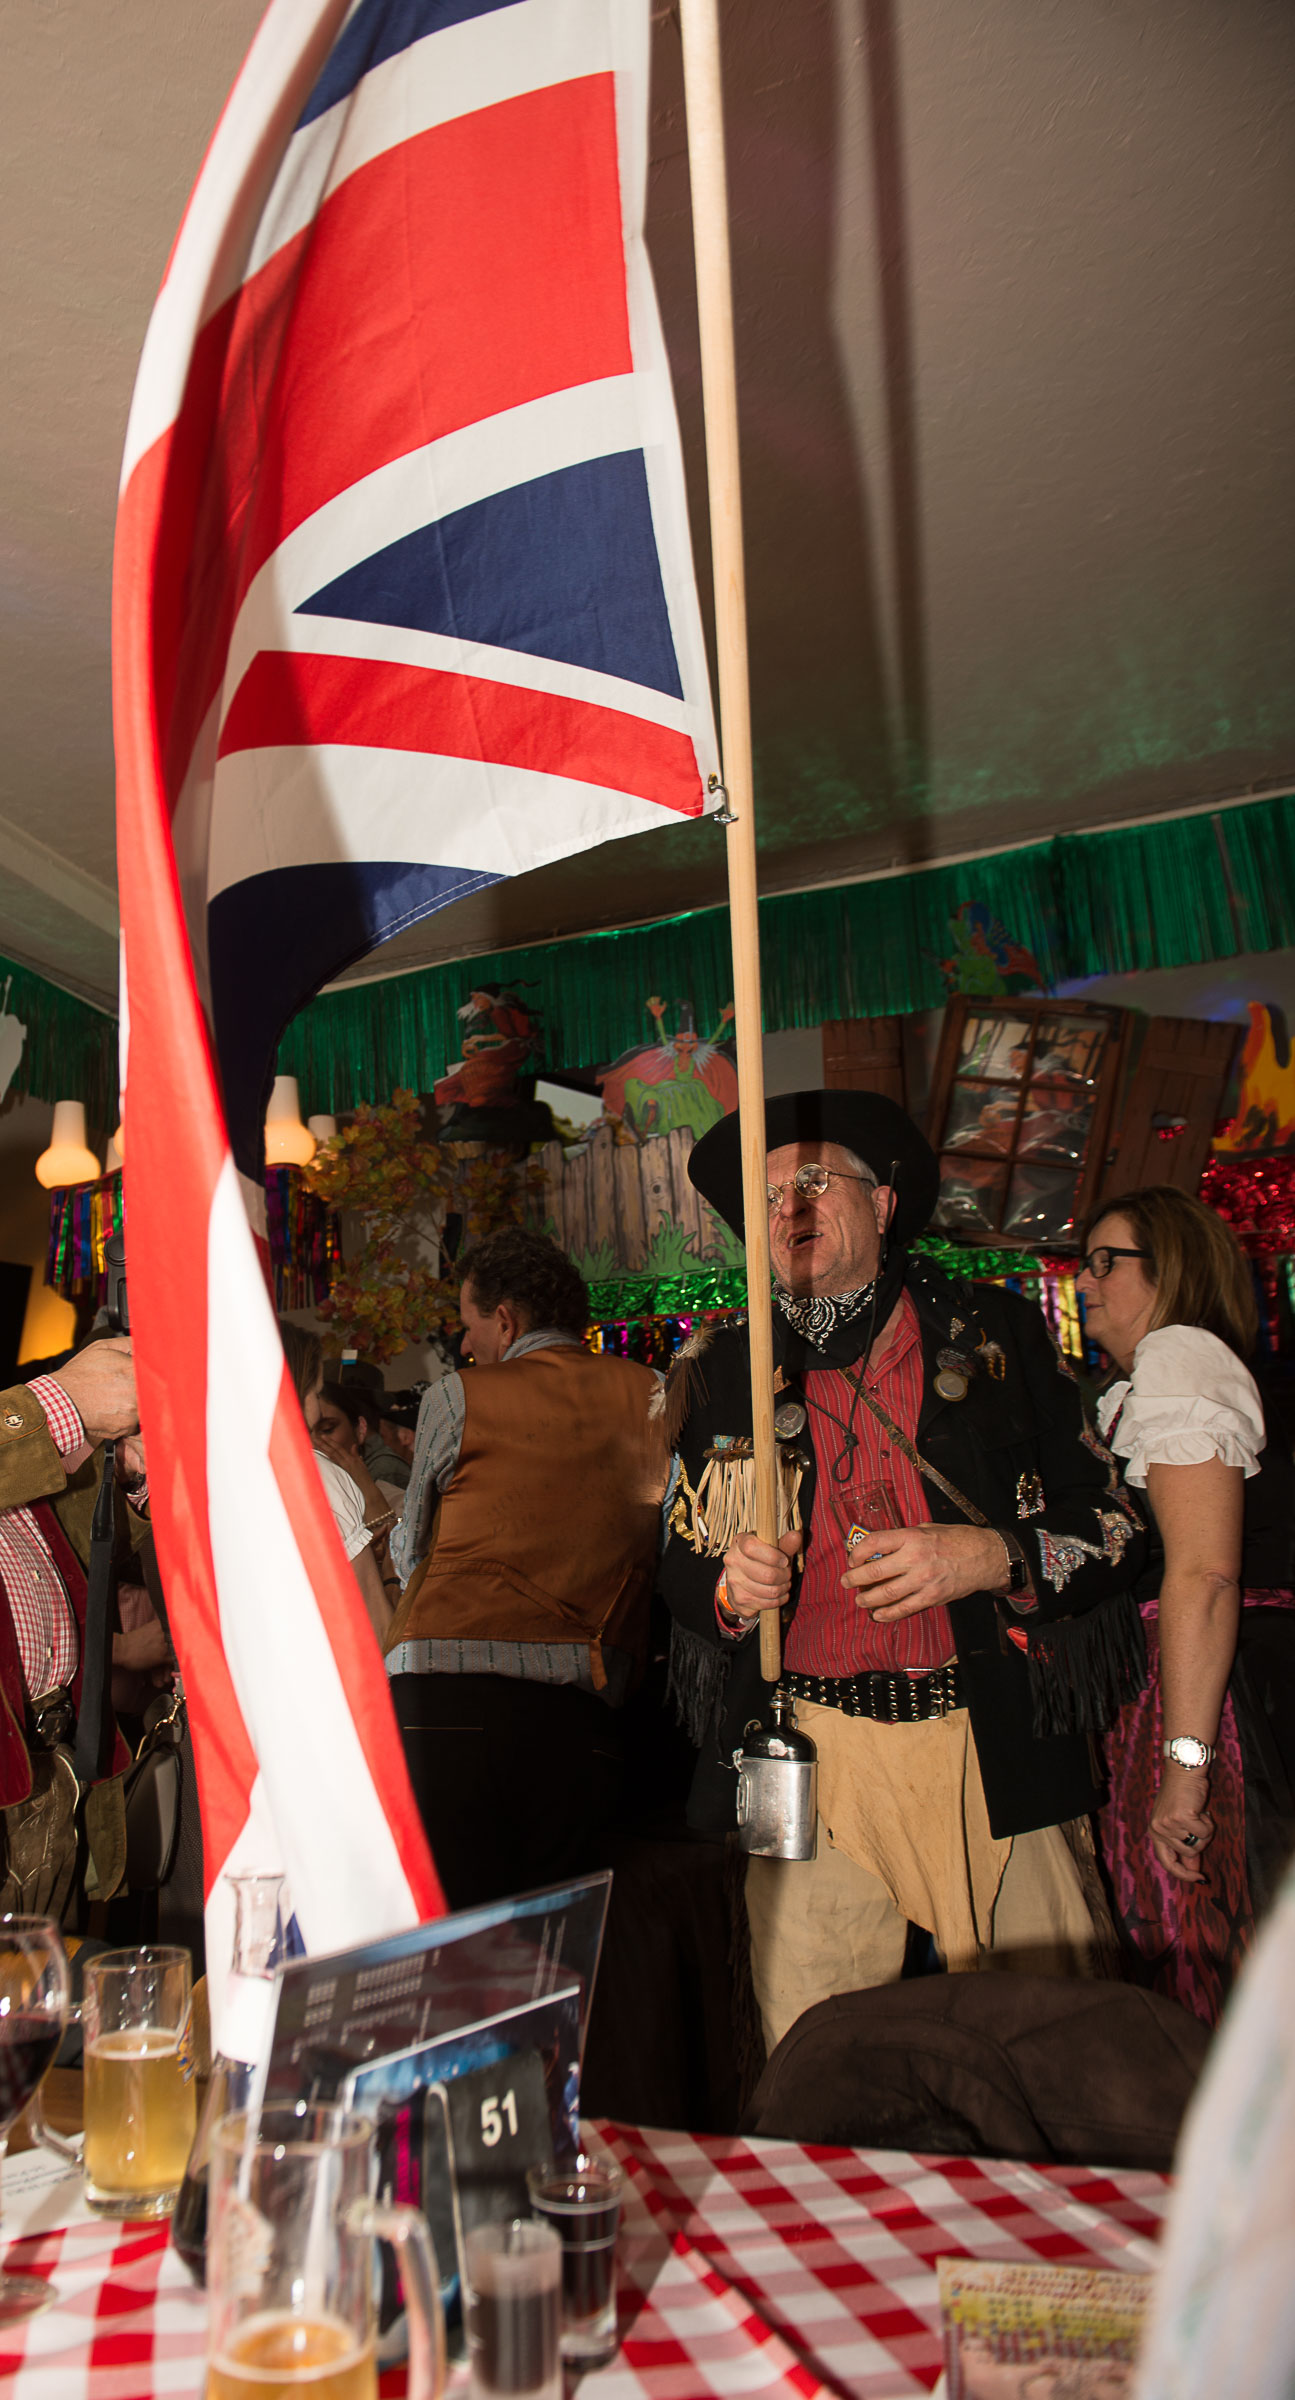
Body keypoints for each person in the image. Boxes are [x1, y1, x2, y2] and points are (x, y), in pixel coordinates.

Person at [661, 1090, 1147, 2055]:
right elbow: (676, 1562)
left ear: (882, 1204)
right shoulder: (723, 1369)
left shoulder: (996, 1336)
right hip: (807, 1758)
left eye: (810, 1180)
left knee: (1050, 2050)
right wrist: (729, 1591)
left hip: (987, 1735)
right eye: (763, 1199)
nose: (787, 1209)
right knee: (816, 2057)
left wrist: (989, 1556)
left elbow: (1119, 1525)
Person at [387, 1227, 668, 1907]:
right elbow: (664, 1540)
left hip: (445, 1706)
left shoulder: (458, 1396)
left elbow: (412, 1551)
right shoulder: (654, 1392)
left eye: (469, 1324)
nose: (465, 1344)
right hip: (586, 1707)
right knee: (555, 1937)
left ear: (505, 1320)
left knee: (445, 1931)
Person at [1074, 1187, 1295, 2026]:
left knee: (1199, 1950)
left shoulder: (1179, 1359)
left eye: (1107, 1261)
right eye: (1082, 1262)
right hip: (1175, 1687)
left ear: (1171, 1269)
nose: (1084, 1281)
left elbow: (1202, 1576)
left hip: (1208, 1696)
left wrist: (1184, 1772)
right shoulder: (1134, 1385)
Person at [0, 1336, 146, 1915]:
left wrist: (132, 1470)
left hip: (53, 1766)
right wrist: (63, 1403)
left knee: (46, 1988)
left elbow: (76, 1543)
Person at [279, 1322, 392, 1643]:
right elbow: (376, 1629)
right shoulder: (313, 1476)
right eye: (314, 1393)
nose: (314, 1413)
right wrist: (391, 1577)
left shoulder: (213, 1475)